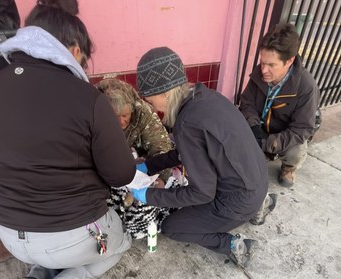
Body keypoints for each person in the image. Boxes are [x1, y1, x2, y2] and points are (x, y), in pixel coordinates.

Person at [0, 1, 135, 278]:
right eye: (83, 59)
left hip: (9, 233)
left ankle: (40, 273)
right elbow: (121, 174)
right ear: (74, 50)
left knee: (51, 252)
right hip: (70, 234)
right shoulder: (88, 98)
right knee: (120, 243)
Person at [131, 46, 269, 268]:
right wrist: (149, 165)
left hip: (238, 200)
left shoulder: (186, 123)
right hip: (258, 182)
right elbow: (188, 152)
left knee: (173, 227)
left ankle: (232, 245)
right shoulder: (205, 97)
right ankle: (259, 206)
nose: (152, 106)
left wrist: (150, 196)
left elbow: (202, 193)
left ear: (164, 93)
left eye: (150, 100)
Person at [239, 23, 320, 187]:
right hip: (261, 130)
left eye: (271, 65)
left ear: (289, 61)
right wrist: (254, 128)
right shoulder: (258, 74)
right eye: (262, 62)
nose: (263, 70)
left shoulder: (306, 86)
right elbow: (247, 103)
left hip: (284, 136)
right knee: (241, 163)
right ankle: (263, 155)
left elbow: (302, 129)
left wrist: (269, 142)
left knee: (295, 150)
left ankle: (288, 168)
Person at [96, 78, 178, 239]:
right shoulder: (93, 115)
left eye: (125, 115)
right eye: (115, 116)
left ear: (132, 110)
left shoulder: (143, 112)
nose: (121, 122)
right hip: (108, 170)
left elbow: (160, 146)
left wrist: (160, 177)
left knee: (155, 197)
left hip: (140, 168)